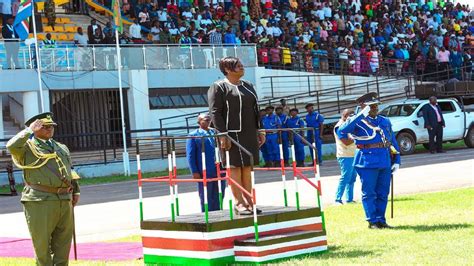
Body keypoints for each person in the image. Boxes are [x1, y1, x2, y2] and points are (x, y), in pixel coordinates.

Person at [6, 112, 80, 265]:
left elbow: (69, 170)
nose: (49, 129)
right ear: (35, 128)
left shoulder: (61, 147)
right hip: (40, 200)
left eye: (51, 126)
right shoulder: (27, 148)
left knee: (63, 244)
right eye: (44, 126)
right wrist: (28, 131)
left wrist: (76, 190)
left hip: (64, 199)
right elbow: (11, 146)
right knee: (42, 246)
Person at [208, 57, 265, 215]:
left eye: (241, 65)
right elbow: (215, 112)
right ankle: (238, 202)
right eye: (237, 66)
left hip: (249, 131)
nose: (242, 67)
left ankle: (249, 201)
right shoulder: (219, 87)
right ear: (227, 69)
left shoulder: (248, 86)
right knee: (233, 167)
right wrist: (222, 133)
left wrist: (260, 129)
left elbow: (256, 109)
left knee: (247, 167)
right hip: (229, 134)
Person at [338, 92, 400, 229]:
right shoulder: (357, 121)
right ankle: (372, 221)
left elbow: (392, 140)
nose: (375, 108)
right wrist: (361, 115)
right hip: (367, 160)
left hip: (384, 159)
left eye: (376, 105)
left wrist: (397, 160)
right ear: (363, 107)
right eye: (371, 106)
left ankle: (381, 220)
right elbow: (341, 131)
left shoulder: (384, 120)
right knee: (369, 192)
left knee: (383, 192)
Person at [186, 113, 225, 212]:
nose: (208, 121)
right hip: (204, 169)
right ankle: (207, 213)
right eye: (205, 119)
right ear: (199, 122)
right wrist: (194, 171)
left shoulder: (215, 132)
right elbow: (190, 155)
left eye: (209, 119)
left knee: (220, 192)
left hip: (218, 168)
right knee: (206, 194)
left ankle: (218, 212)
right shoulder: (194, 135)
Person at [334, 109, 357, 205]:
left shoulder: (349, 125)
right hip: (344, 155)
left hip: (353, 154)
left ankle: (349, 199)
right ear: (345, 116)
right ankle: (337, 199)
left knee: (352, 177)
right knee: (345, 177)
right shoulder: (340, 127)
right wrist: (357, 138)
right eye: (351, 115)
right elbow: (346, 142)